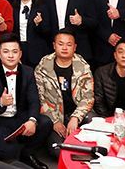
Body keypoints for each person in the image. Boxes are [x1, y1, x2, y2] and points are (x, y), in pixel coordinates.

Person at [0, 33, 51, 169]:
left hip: (20, 117)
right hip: (0, 120)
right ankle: (10, 153)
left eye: (14, 52)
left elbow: (34, 100)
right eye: (6, 52)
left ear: (20, 54)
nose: (10, 56)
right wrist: (0, 102)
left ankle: (27, 152)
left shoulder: (28, 72)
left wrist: (32, 120)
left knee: (46, 122)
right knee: (8, 152)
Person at [34, 30, 94, 158]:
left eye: (69, 44)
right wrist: (55, 121)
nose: (65, 48)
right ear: (54, 45)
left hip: (76, 114)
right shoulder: (43, 66)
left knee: (92, 120)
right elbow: (40, 97)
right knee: (58, 151)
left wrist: (75, 117)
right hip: (54, 116)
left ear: (75, 47)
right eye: (61, 44)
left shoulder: (83, 67)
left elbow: (88, 98)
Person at [35, 0, 95, 65]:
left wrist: (81, 21)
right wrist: (38, 23)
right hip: (52, 50)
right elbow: (45, 30)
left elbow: (94, 22)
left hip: (79, 49)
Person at [11, 0, 49, 68]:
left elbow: (47, 31)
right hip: (18, 49)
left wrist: (38, 24)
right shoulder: (13, 7)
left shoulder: (42, 7)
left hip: (37, 51)